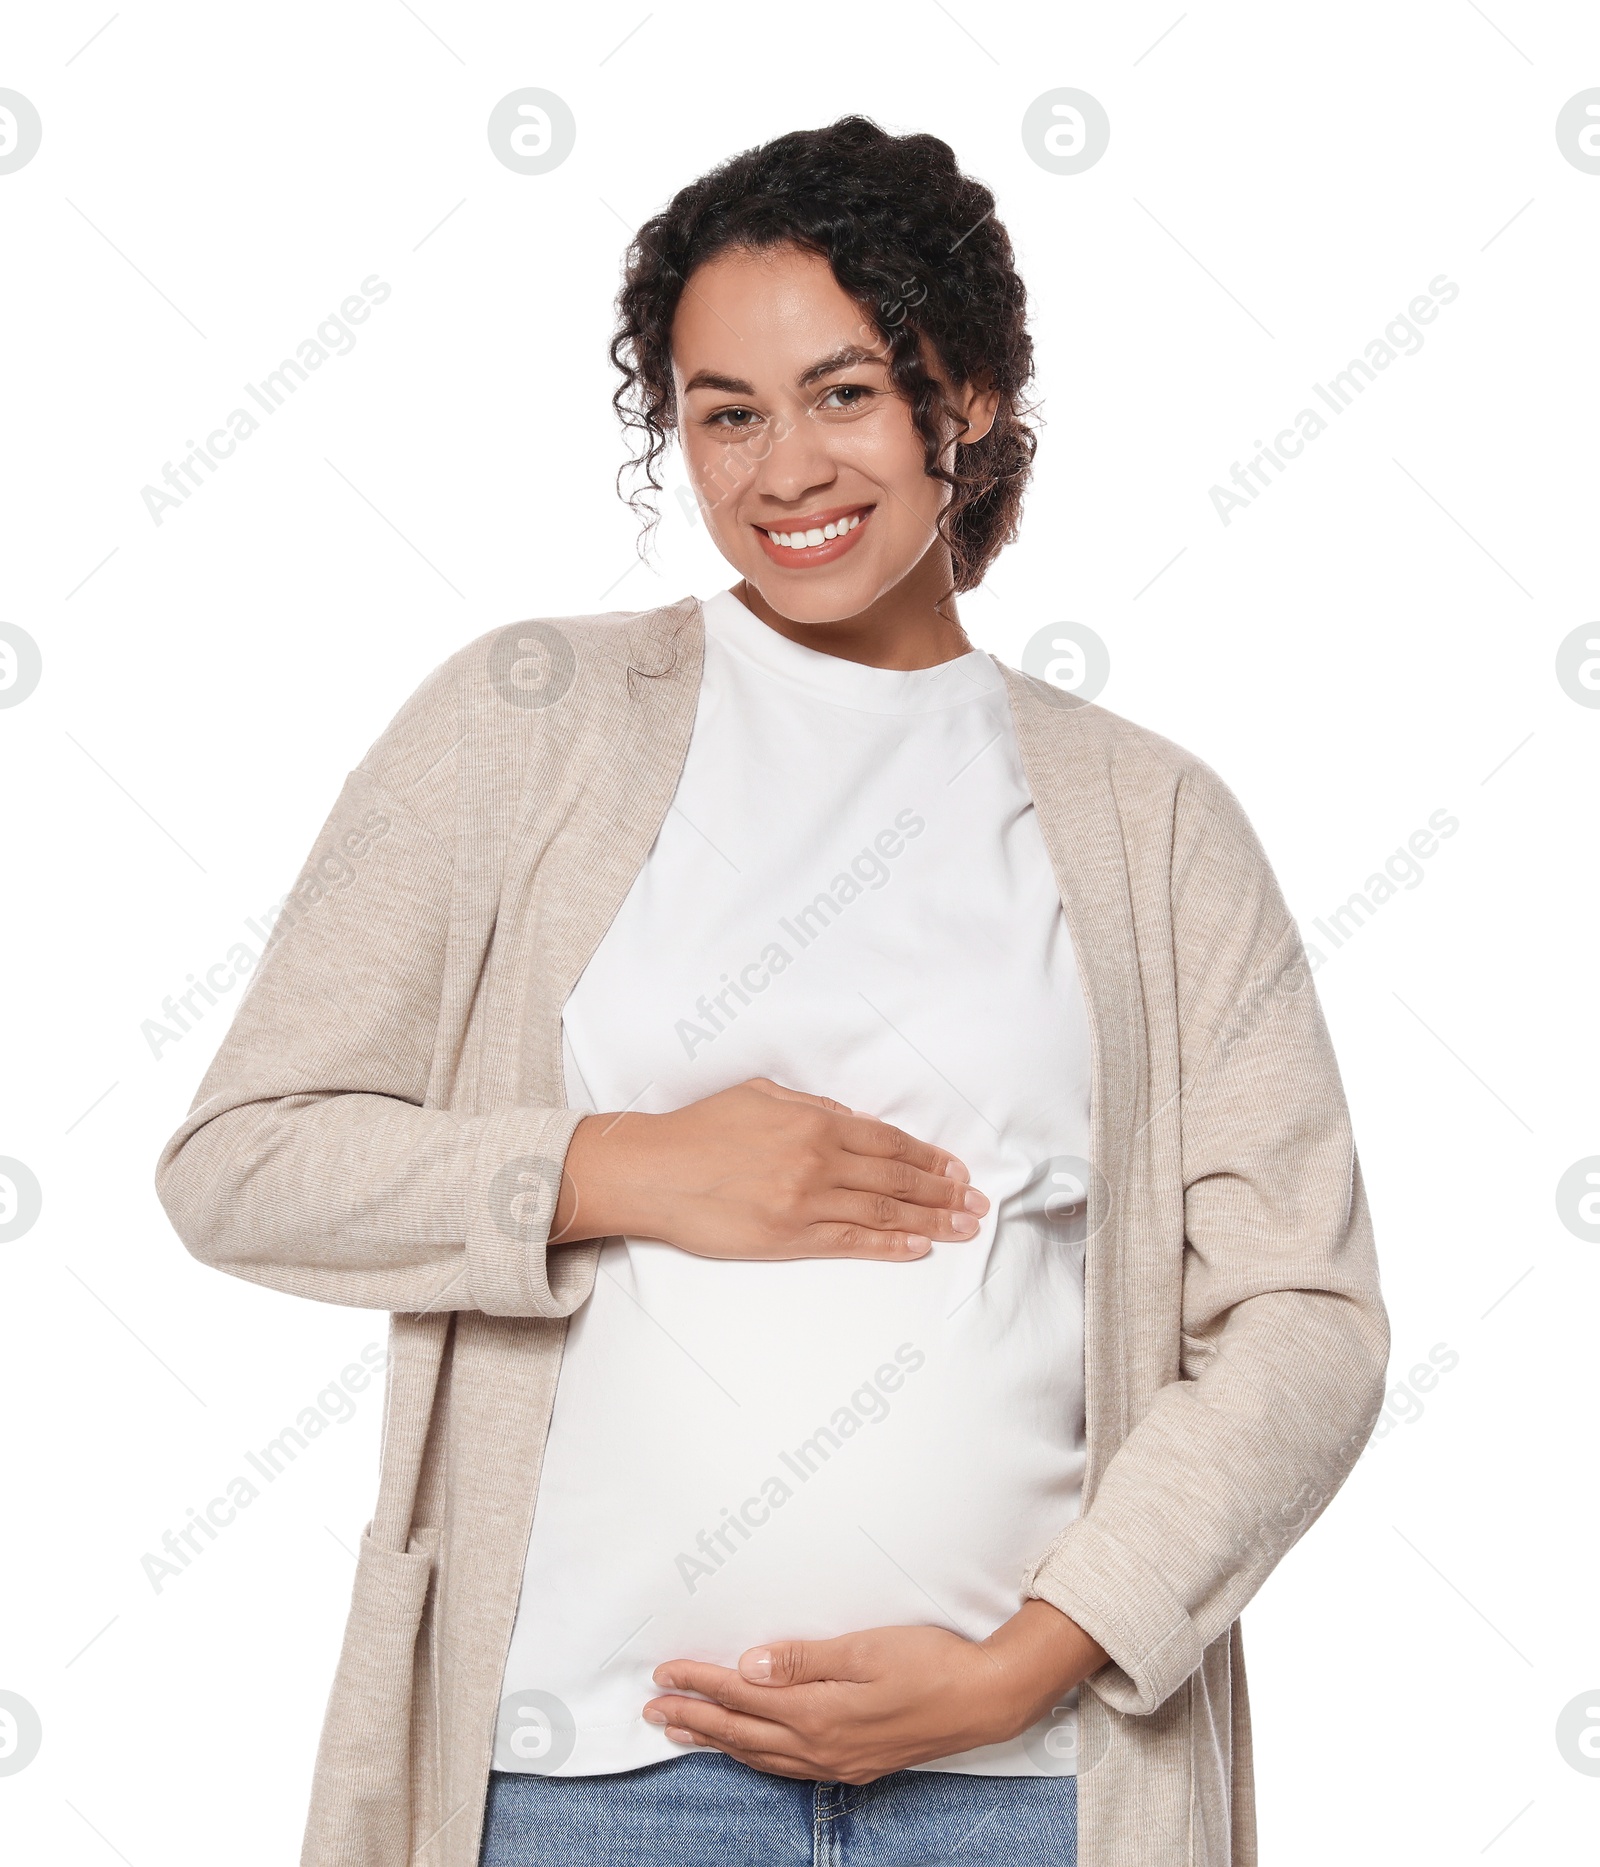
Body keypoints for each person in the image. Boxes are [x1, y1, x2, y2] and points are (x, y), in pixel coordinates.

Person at [155, 115, 1388, 1867]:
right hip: (584, 1775)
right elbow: (244, 1161)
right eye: (724, 412)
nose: (782, 468)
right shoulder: (529, 722)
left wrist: (1026, 1665)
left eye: (843, 394)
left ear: (964, 401)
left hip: (1026, 1793)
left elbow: (1302, 1325)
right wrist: (620, 1168)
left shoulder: (1153, 823)